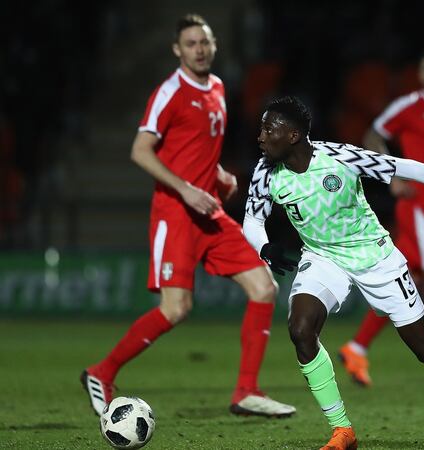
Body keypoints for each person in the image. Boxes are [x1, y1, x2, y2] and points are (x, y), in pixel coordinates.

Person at [243, 96, 424, 450]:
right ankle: (341, 429)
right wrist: (264, 246)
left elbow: (407, 167)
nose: (260, 136)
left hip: (374, 256)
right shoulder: (264, 171)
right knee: (301, 330)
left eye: (269, 128)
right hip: (323, 257)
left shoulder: (340, 158)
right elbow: (253, 219)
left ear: (293, 135)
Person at [80, 14, 295, 419]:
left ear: (214, 46)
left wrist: (218, 176)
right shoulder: (169, 92)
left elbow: (194, 148)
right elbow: (141, 151)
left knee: (264, 287)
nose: (199, 49)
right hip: (176, 213)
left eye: (205, 42)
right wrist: (187, 189)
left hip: (208, 210)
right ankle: (101, 372)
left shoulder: (216, 88)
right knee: (176, 308)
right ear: (177, 50)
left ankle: (247, 391)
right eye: (191, 43)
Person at [339, 46, 424, 387]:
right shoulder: (408, 106)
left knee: (406, 284)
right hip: (419, 205)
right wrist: (391, 176)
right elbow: (373, 135)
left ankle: (356, 347)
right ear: (421, 74)